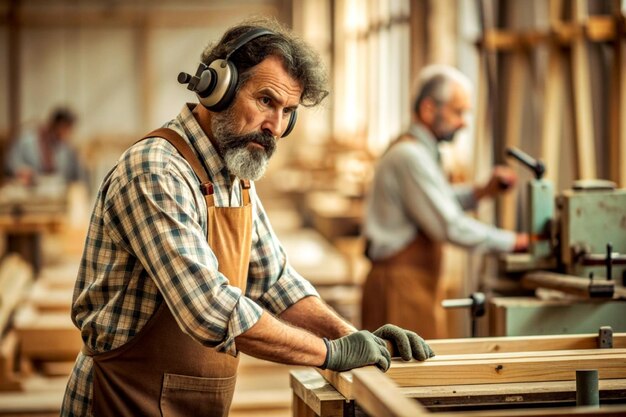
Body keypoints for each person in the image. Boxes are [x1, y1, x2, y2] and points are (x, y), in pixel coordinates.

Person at [61, 17, 434, 417]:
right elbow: (208, 309)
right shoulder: (155, 171)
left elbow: (274, 281)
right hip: (122, 401)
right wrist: (330, 353)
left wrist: (351, 335)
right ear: (217, 88)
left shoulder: (234, 175)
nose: (275, 126)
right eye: (266, 101)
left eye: (288, 111)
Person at [361, 64, 529, 340]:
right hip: (399, 287)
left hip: (410, 283)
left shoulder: (422, 153)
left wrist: (480, 192)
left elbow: (436, 201)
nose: (464, 122)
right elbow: (449, 226)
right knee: (408, 378)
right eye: (458, 112)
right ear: (428, 109)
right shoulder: (410, 156)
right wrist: (516, 242)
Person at [5, 107, 84, 186]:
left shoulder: (66, 149)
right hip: (28, 188)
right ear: (55, 125)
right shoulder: (27, 141)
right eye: (64, 127)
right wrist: (21, 170)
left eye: (69, 129)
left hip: (54, 190)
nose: (67, 132)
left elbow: (73, 175)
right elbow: (11, 162)